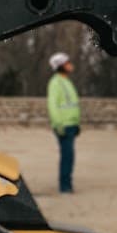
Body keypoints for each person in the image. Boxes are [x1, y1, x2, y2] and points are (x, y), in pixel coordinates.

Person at [46, 51, 81, 193]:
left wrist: (76, 124)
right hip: (63, 126)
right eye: (67, 63)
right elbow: (52, 105)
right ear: (60, 66)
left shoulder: (67, 81)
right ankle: (65, 186)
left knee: (70, 156)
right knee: (67, 156)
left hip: (71, 125)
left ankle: (67, 184)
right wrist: (58, 125)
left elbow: (72, 105)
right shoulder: (55, 82)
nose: (70, 65)